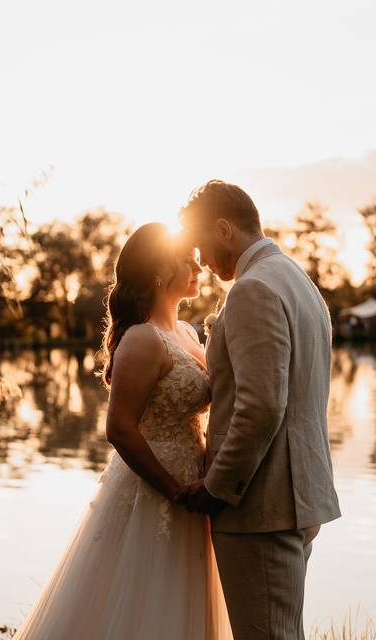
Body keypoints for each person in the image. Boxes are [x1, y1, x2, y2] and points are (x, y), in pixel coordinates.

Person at [13, 222, 232, 639]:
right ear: (157, 271)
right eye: (187, 260)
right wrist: (170, 488)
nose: (199, 267)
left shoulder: (185, 333)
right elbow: (120, 429)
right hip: (155, 489)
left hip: (194, 484)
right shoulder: (142, 341)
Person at [180, 180, 342, 640]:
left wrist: (216, 488)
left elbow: (262, 406)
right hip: (295, 496)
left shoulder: (253, 289)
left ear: (224, 229)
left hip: (259, 507)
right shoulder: (298, 281)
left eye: (202, 246)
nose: (203, 262)